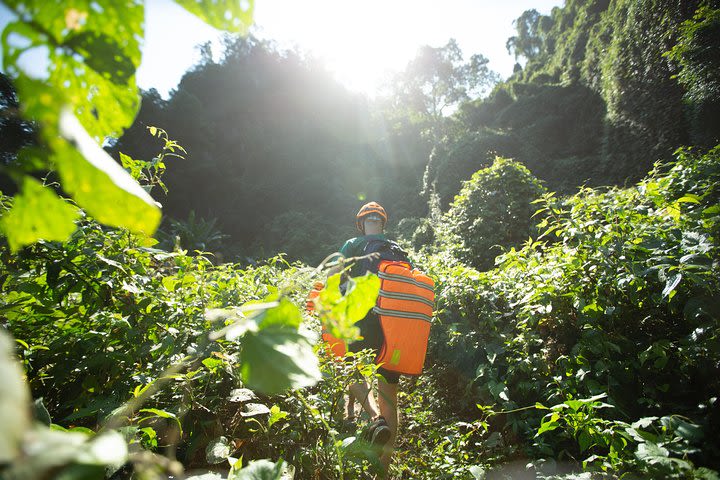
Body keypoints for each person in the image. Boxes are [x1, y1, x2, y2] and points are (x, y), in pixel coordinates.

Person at [329, 201, 401, 477]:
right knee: (390, 395)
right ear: (383, 223)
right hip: (393, 326)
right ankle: (383, 470)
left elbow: (332, 276)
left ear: (361, 224)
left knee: (351, 370)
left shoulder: (353, 245)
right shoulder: (396, 249)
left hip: (360, 320)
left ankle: (373, 417)